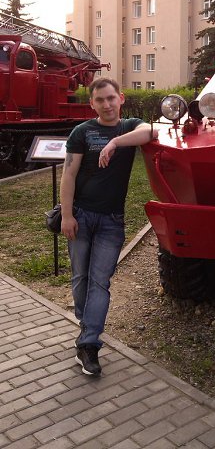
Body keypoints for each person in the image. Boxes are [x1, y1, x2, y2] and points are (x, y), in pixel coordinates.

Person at [60, 76, 157, 377]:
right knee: (80, 278)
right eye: (100, 100)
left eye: (111, 98)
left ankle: (89, 344)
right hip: (81, 216)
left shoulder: (129, 127)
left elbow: (151, 131)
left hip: (111, 222)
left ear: (121, 98)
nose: (107, 104)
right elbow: (68, 175)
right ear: (92, 104)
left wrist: (115, 142)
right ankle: (87, 323)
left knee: (100, 282)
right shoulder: (82, 132)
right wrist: (66, 216)